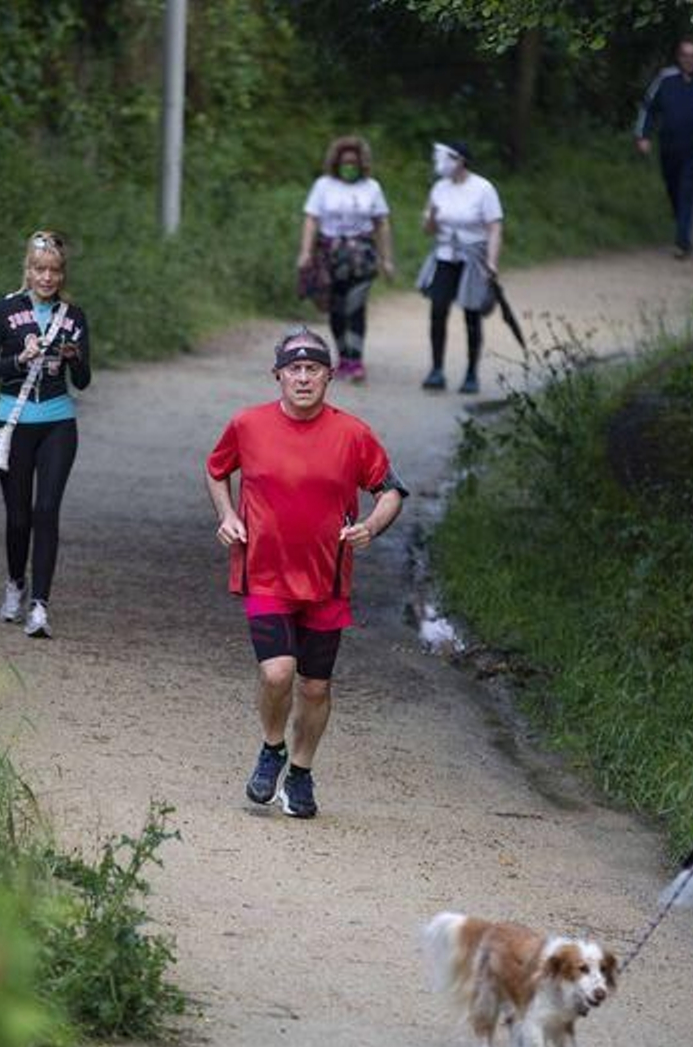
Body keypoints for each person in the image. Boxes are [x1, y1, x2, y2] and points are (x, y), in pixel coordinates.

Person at [205, 326, 408, 818]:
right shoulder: (247, 425)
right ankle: (271, 748)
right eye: (293, 369)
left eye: (312, 369)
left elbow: (391, 490)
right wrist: (228, 517)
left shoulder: (353, 434)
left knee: (315, 686)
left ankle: (300, 771)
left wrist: (371, 527)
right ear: (277, 375)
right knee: (278, 672)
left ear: (328, 377)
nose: (302, 378)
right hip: (266, 571)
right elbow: (216, 470)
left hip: (326, 578)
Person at [0, 230, 91, 638]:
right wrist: (18, 359)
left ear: (62, 274)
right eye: (40, 269)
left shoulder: (74, 317)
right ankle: (15, 585)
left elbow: (86, 380)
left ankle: (40, 605)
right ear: (28, 269)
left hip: (58, 423)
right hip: (14, 421)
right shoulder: (3, 311)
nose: (47, 278)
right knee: (19, 516)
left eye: (55, 271)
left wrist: (75, 359)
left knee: (46, 511)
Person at [297, 135, 396, 384]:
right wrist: (306, 252)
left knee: (356, 306)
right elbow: (311, 218)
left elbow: (381, 223)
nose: (349, 166)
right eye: (345, 162)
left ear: (362, 163)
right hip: (330, 253)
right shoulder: (323, 186)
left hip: (361, 255)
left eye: (354, 162)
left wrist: (387, 259)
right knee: (337, 308)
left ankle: (357, 359)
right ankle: (343, 356)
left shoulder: (372, 187)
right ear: (337, 163)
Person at [416, 141, 503, 394]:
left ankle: (471, 373)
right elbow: (428, 230)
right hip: (444, 255)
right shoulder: (439, 188)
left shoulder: (483, 188)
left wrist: (492, 262)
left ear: (460, 160)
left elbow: (495, 227)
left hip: (472, 258)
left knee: (472, 315)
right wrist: (431, 215)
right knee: (438, 310)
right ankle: (436, 369)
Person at [634, 38, 693, 259]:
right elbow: (648, 107)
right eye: (685, 55)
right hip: (669, 148)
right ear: (679, 57)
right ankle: (683, 225)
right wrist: (643, 136)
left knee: (688, 192)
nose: (689, 60)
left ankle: (683, 243)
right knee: (674, 191)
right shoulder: (665, 79)